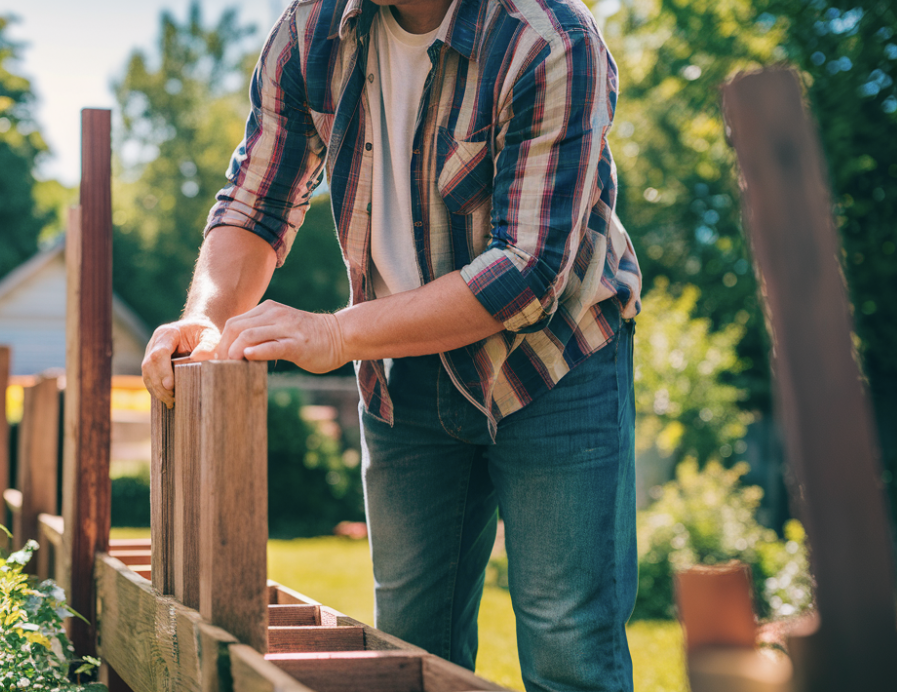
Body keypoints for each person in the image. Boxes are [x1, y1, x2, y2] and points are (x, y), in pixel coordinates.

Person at [141, 0, 642, 689]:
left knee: (568, 649)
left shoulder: (548, 38)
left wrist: (337, 332)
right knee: (408, 650)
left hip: (551, 366)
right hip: (401, 372)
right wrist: (205, 314)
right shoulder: (314, 29)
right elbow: (257, 199)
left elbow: (525, 274)